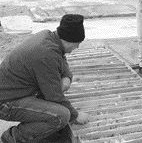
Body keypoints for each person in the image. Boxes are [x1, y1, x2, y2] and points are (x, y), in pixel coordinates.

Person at [0, 14, 89, 143]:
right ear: (68, 40)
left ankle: (41, 127)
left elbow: (62, 60)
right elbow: (54, 96)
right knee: (62, 116)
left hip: (17, 92)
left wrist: (67, 77)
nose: (77, 48)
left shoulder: (49, 37)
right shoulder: (46, 54)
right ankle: (13, 138)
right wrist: (76, 116)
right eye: (77, 44)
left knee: (59, 93)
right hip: (6, 102)